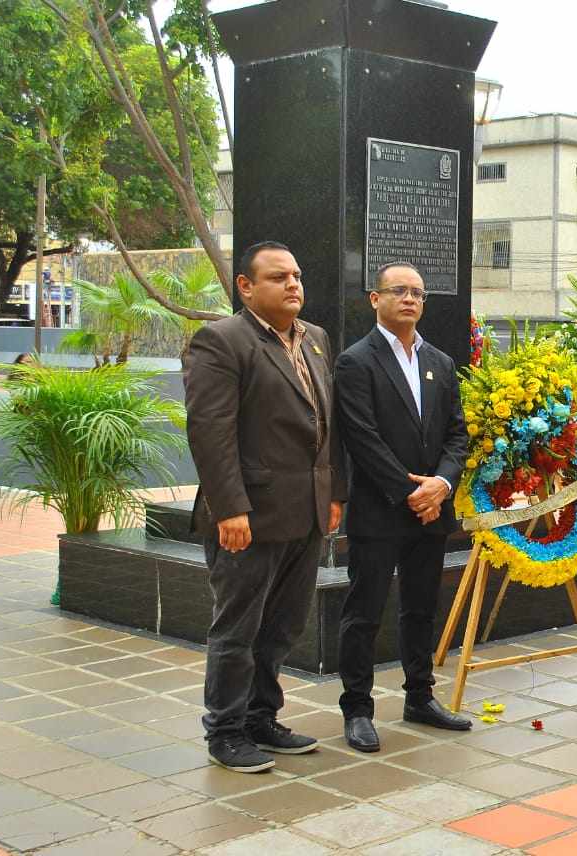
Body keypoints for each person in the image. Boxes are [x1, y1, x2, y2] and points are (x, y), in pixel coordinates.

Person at [183, 241, 345, 773]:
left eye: (297, 275)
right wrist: (230, 507)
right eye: (279, 277)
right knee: (238, 630)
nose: (293, 284)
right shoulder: (222, 341)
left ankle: (261, 717)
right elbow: (211, 431)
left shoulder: (315, 339)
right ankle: (225, 731)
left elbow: (328, 424)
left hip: (307, 511)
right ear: (246, 287)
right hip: (248, 515)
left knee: (282, 626)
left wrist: (335, 492)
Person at [334, 262, 471, 749]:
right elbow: (362, 438)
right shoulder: (356, 361)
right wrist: (411, 492)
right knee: (364, 611)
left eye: (416, 292)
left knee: (421, 608)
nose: (409, 299)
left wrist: (441, 483)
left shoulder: (440, 360)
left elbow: (457, 433)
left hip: (432, 509)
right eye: (398, 291)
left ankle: (420, 696)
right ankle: (357, 708)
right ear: (375, 299)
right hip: (381, 510)